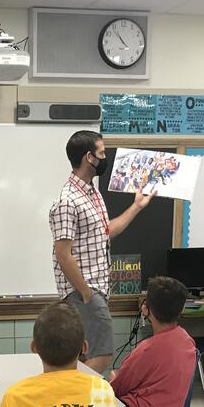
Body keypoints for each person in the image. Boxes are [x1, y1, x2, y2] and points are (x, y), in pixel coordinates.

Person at [50, 130, 153, 374]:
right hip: (84, 290)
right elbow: (63, 254)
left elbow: (105, 232)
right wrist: (86, 293)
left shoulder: (92, 193)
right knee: (103, 353)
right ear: (89, 157)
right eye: (102, 153)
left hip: (95, 289)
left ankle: (70, 395)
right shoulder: (68, 200)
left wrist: (136, 207)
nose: (105, 158)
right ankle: (72, 393)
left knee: (85, 354)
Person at [109, 276, 196, 407]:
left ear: (146, 309)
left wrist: (113, 377)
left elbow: (117, 389)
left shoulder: (147, 349)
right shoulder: (187, 340)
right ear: (181, 309)